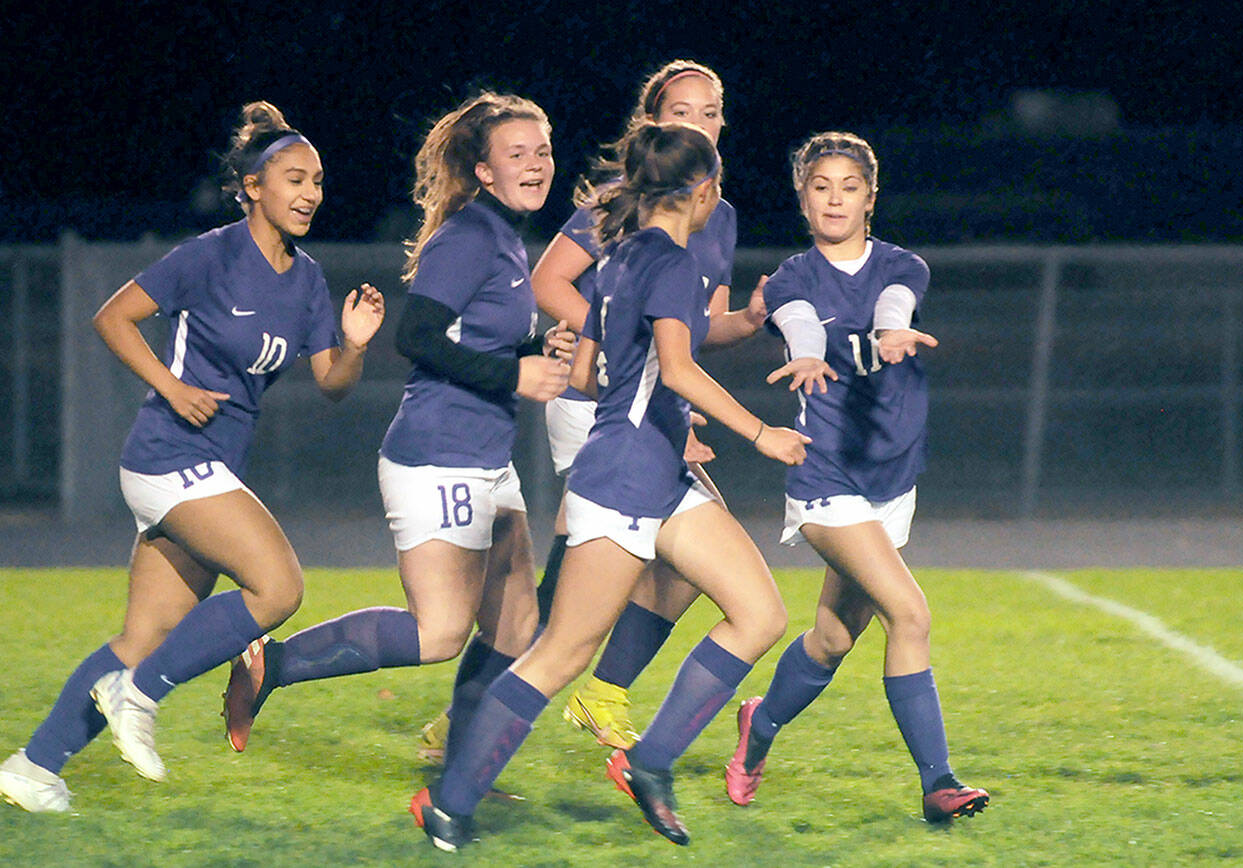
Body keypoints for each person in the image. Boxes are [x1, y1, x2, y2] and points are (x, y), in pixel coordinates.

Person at [409, 121, 808, 852]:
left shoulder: (619, 257)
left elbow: (590, 373)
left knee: (759, 613)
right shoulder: (676, 262)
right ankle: (450, 802)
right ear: (701, 191)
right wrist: (762, 434)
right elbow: (680, 369)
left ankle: (648, 763)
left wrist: (637, 389)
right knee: (559, 654)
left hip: (658, 471)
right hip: (624, 479)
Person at [0, 102, 384, 812]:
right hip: (167, 455)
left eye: (319, 182)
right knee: (279, 587)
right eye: (294, 178)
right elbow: (112, 316)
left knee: (145, 636)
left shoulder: (305, 280)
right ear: (252, 187)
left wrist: (356, 344)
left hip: (210, 469)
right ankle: (139, 694)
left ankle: (33, 765)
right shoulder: (210, 254)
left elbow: (332, 384)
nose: (309, 194)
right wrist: (170, 386)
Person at [219, 92, 574, 764]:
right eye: (516, 154)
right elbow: (417, 336)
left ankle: (457, 768)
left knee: (518, 628)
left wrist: (536, 353)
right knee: (441, 634)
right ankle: (276, 664)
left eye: (543, 152)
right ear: (485, 172)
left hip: (487, 461)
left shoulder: (506, 239)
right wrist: (514, 375)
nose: (535, 165)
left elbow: (485, 344)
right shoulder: (469, 236)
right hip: (438, 460)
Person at [723, 131, 989, 823]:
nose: (834, 198)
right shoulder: (789, 278)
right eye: (820, 186)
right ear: (802, 198)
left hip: (891, 478)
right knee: (910, 614)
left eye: (848, 186)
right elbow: (801, 323)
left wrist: (893, 332)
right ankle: (939, 783)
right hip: (826, 475)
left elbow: (894, 303)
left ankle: (760, 726)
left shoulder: (903, 265)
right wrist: (808, 354)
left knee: (833, 638)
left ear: (871, 197)